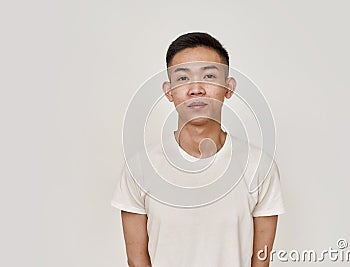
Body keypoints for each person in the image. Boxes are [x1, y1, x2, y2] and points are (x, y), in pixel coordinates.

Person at [111, 32, 285, 267]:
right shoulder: (140, 167)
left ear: (228, 87)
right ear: (169, 91)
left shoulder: (258, 166)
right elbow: (136, 259)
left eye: (209, 75)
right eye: (183, 78)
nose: (196, 89)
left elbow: (261, 261)